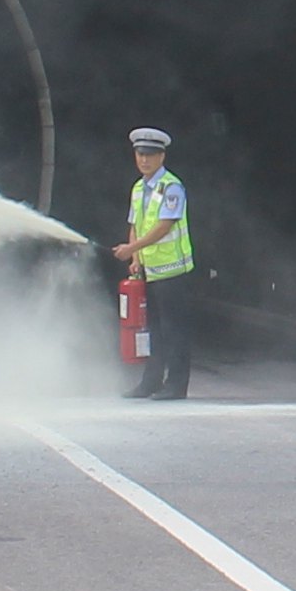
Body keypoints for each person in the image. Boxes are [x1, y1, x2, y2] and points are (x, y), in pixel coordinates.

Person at [110, 125, 196, 400]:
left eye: (150, 154)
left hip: (173, 270)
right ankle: (151, 381)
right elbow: (135, 224)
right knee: (153, 330)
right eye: (140, 154)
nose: (144, 159)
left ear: (162, 156)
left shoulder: (171, 187)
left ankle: (177, 385)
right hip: (149, 271)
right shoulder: (138, 188)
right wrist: (135, 258)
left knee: (174, 330)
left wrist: (131, 248)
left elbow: (164, 226)